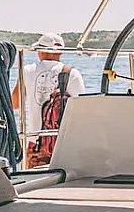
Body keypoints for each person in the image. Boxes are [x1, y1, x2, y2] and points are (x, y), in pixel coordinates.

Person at [11, 32, 85, 167]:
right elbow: (82, 112)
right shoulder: (72, 73)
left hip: (35, 142)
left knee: (34, 184)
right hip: (64, 143)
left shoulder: (27, 70)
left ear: (41, 51)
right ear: (60, 52)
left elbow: (15, 104)